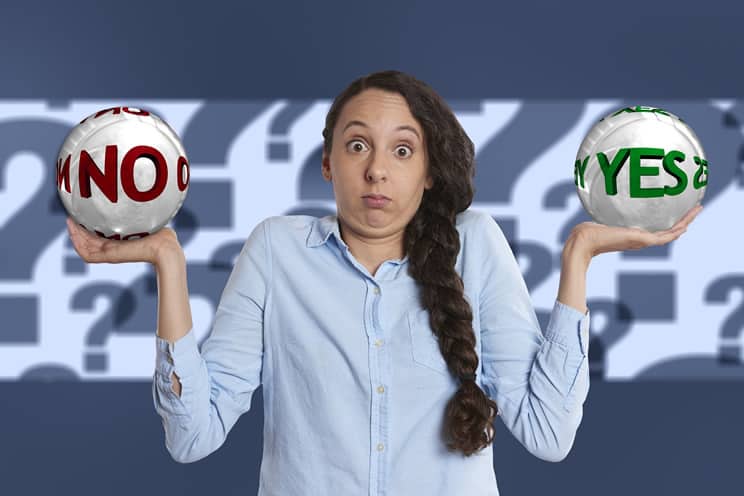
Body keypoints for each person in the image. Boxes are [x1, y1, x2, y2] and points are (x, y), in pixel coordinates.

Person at [66, 70, 702, 495]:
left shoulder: (475, 244)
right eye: (356, 146)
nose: (376, 171)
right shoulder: (275, 251)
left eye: (402, 150)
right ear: (326, 163)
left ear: (428, 171)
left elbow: (549, 435)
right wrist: (167, 263)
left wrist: (579, 256)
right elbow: (191, 436)